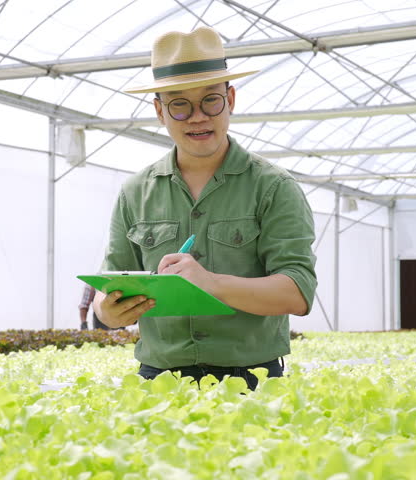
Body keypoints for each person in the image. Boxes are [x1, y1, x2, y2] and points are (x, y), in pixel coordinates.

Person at [93, 27, 317, 391]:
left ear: (230, 99)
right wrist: (108, 311)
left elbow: (297, 291)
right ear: (159, 111)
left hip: (252, 380)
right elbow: (111, 283)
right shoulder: (135, 193)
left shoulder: (273, 187)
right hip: (158, 380)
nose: (197, 117)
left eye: (210, 101)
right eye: (179, 105)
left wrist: (212, 284)